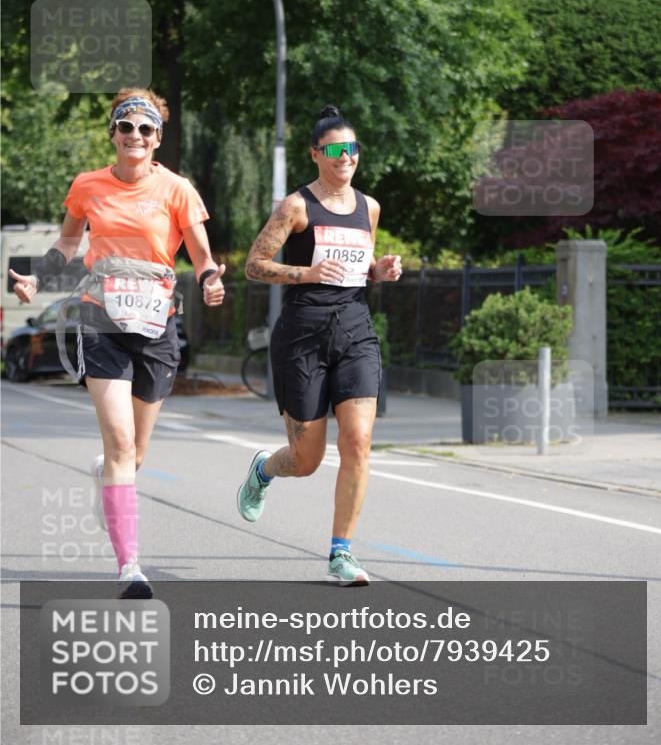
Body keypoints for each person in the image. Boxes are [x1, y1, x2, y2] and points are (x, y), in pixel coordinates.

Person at [10, 88, 224, 599]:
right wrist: (37, 280)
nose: (135, 136)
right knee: (122, 445)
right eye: (126, 127)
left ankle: (104, 475)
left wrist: (211, 278)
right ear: (113, 133)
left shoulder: (177, 189)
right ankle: (130, 566)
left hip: (156, 326)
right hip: (101, 320)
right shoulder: (88, 185)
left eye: (145, 129)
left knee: (136, 453)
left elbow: (200, 254)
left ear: (157, 139)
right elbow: (67, 243)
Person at [238, 104, 401, 585]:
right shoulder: (295, 207)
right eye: (334, 149)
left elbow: (360, 267)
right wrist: (304, 273)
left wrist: (380, 271)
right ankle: (264, 470)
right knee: (306, 461)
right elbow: (253, 264)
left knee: (358, 441)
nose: (345, 156)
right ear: (316, 154)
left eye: (351, 148)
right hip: (303, 335)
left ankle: (341, 553)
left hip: (355, 329)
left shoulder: (368, 207)